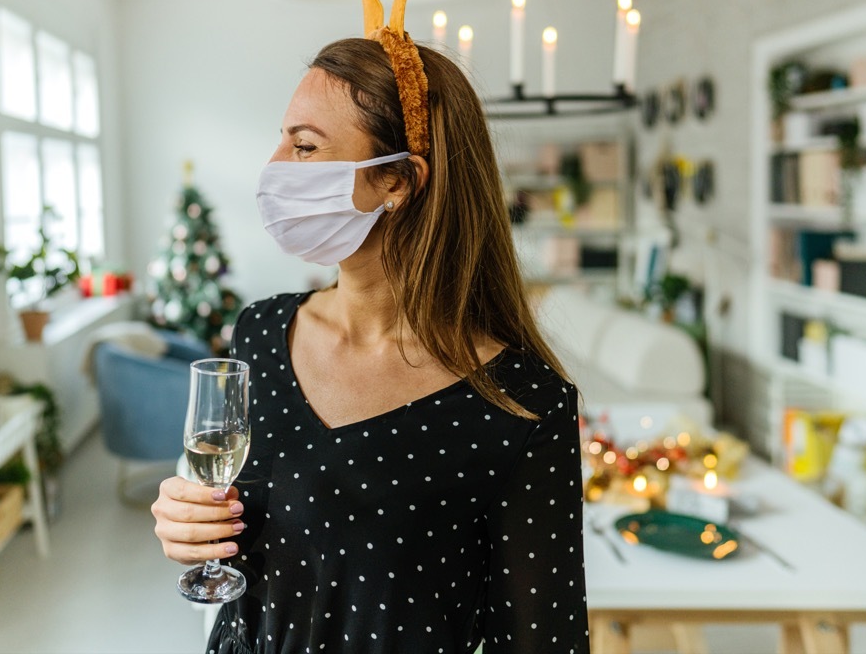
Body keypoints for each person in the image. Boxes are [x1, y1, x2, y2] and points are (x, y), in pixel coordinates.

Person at [152, 37, 590, 653]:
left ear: (398, 181)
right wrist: (188, 523)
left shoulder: (523, 403)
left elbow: (545, 642)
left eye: (304, 146)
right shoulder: (259, 334)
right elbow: (241, 525)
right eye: (281, 140)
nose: (274, 165)